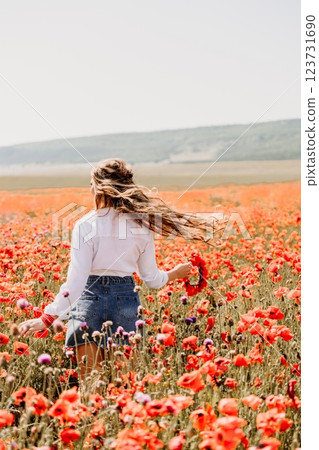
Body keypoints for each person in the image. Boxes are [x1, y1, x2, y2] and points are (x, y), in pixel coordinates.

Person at [17, 158, 224, 385]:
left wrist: (48, 318)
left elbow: (75, 284)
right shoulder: (142, 226)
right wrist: (175, 273)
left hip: (88, 302)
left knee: (91, 390)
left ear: (98, 187)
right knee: (125, 388)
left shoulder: (85, 225)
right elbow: (152, 280)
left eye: (91, 184)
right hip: (126, 302)